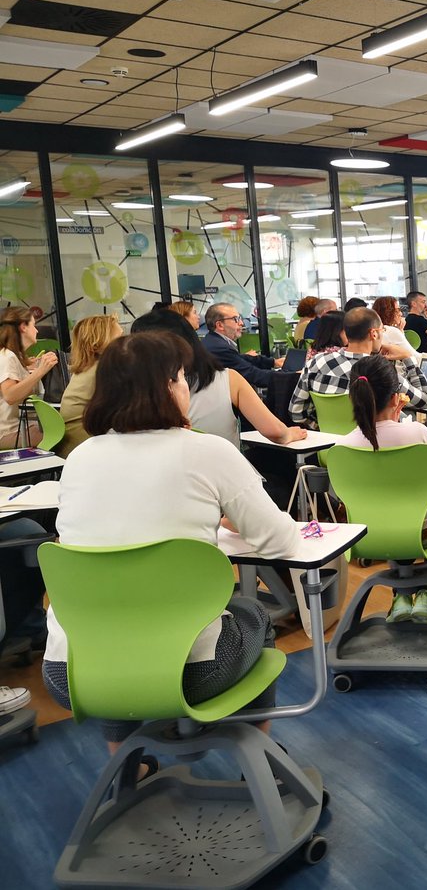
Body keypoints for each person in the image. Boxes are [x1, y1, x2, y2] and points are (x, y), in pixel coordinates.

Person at [42, 331, 297, 769]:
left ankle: (129, 765)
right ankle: (261, 761)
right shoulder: (208, 452)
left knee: (114, 614)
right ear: (165, 388)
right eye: (181, 379)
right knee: (253, 615)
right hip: (191, 670)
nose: (187, 390)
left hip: (73, 672)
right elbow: (281, 540)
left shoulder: (81, 458)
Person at [337, 355, 427, 625]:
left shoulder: (342, 447)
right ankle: (425, 593)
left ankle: (401, 596)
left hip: (366, 536)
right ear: (396, 399)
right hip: (424, 531)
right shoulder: (417, 433)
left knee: (392, 518)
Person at [132, 309, 305, 448]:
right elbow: (274, 431)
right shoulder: (227, 379)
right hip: (224, 479)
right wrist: (289, 433)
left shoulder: (131, 392)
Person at [291, 306, 427, 429]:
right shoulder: (381, 371)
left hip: (330, 452)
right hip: (372, 451)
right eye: (383, 330)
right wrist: (407, 357)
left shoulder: (316, 363)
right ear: (373, 333)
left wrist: (324, 430)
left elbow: (296, 413)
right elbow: (424, 401)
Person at [59, 314, 121, 456]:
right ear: (99, 343)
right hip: (86, 444)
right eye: (119, 338)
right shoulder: (103, 370)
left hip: (72, 442)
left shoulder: (86, 367)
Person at [0, 307, 57, 449]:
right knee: (64, 437)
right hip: (10, 432)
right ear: (23, 327)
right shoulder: (7, 356)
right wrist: (41, 371)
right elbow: (10, 395)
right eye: (33, 325)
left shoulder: (13, 356)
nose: (37, 330)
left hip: (21, 428)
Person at [201, 303, 282, 388]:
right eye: (235, 319)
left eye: (240, 318)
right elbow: (255, 376)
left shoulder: (214, 341)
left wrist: (274, 362)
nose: (241, 323)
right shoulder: (220, 348)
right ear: (220, 325)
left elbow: (239, 358)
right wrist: (291, 376)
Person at [372, 295, 419, 359]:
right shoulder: (391, 331)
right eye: (397, 310)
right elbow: (414, 356)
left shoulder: (378, 331)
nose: (401, 314)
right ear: (388, 312)